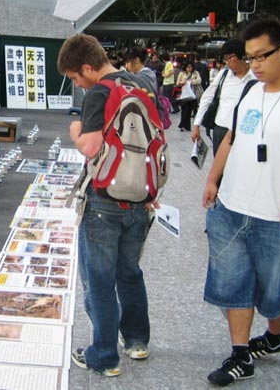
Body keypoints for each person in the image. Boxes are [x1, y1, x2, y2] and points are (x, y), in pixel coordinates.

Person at [201, 19, 280, 386]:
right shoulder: (250, 93)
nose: (254, 64)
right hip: (230, 209)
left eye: (261, 56)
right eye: (250, 57)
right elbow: (230, 139)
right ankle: (240, 354)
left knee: (275, 293)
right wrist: (213, 180)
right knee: (232, 284)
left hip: (275, 218)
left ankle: (274, 337)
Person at [57, 34, 154, 377]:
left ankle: (103, 355)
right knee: (130, 272)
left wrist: (75, 131)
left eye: (75, 77)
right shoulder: (141, 84)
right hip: (140, 197)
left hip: (105, 200)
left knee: (99, 280)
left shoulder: (100, 91)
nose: (77, 84)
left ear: (87, 67)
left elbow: (90, 146)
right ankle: (137, 341)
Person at [192, 39, 256, 156]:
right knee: (220, 165)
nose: (227, 62)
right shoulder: (224, 75)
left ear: (242, 56)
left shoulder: (255, 78)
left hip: (244, 133)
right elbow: (207, 98)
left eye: (230, 58)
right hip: (221, 130)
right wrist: (196, 125)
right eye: (225, 59)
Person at [175, 62, 202, 132]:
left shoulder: (195, 73)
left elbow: (199, 80)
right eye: (188, 67)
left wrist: (190, 81)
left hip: (192, 94)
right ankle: (182, 125)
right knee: (184, 110)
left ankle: (187, 126)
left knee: (189, 111)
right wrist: (182, 82)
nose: (189, 68)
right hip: (184, 94)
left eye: (190, 67)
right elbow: (177, 83)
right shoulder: (182, 73)